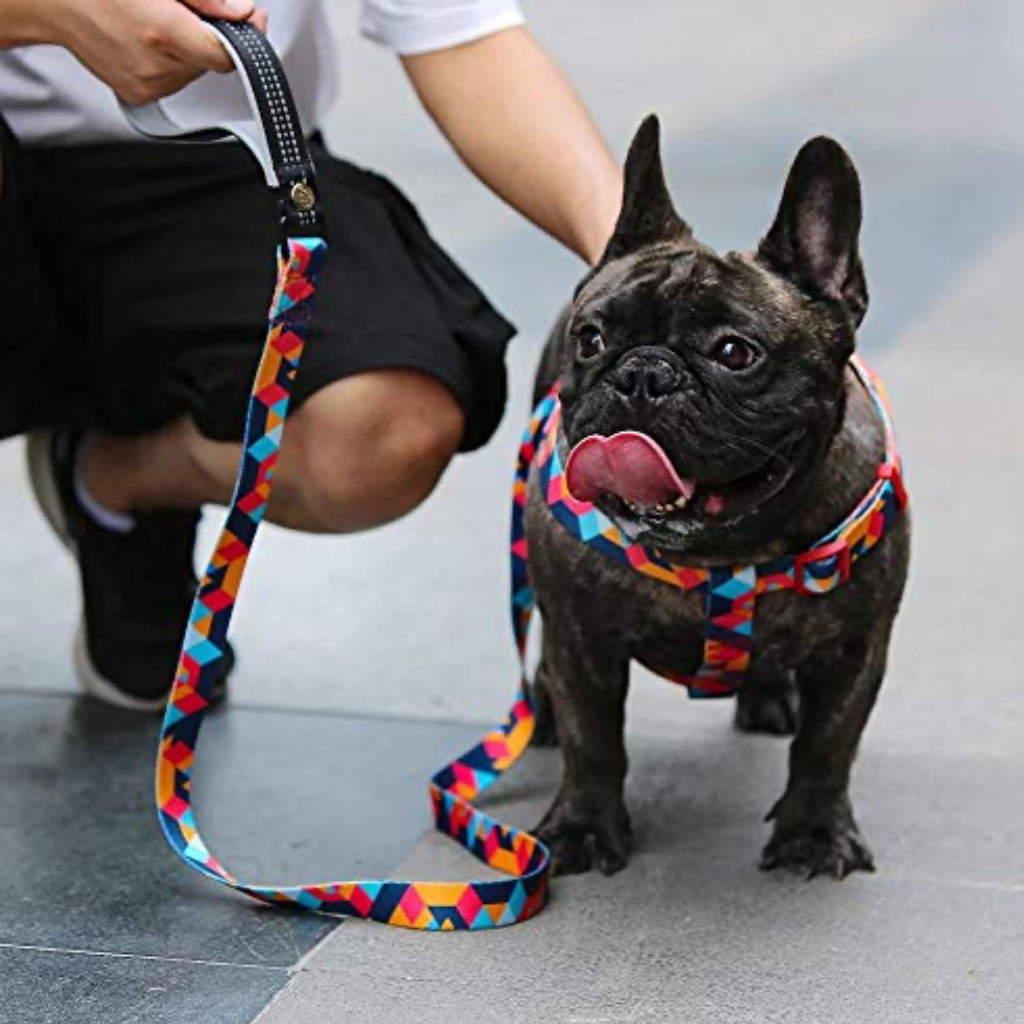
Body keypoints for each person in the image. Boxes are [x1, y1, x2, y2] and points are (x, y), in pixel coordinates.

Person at [0, 0, 622, 710]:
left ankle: (112, 482)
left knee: (384, 421)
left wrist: (634, 251)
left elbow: (461, 33)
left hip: (221, 153)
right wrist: (55, 14)